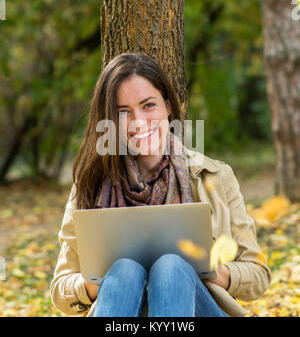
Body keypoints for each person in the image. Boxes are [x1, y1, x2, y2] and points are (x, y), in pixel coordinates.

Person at [49, 52, 271, 317]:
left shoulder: (215, 176)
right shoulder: (89, 184)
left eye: (148, 105)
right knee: (124, 270)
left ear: (167, 105)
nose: (139, 122)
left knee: (171, 268)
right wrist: (93, 282)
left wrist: (214, 272)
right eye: (123, 112)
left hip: (197, 310)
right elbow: (60, 288)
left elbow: (258, 274)